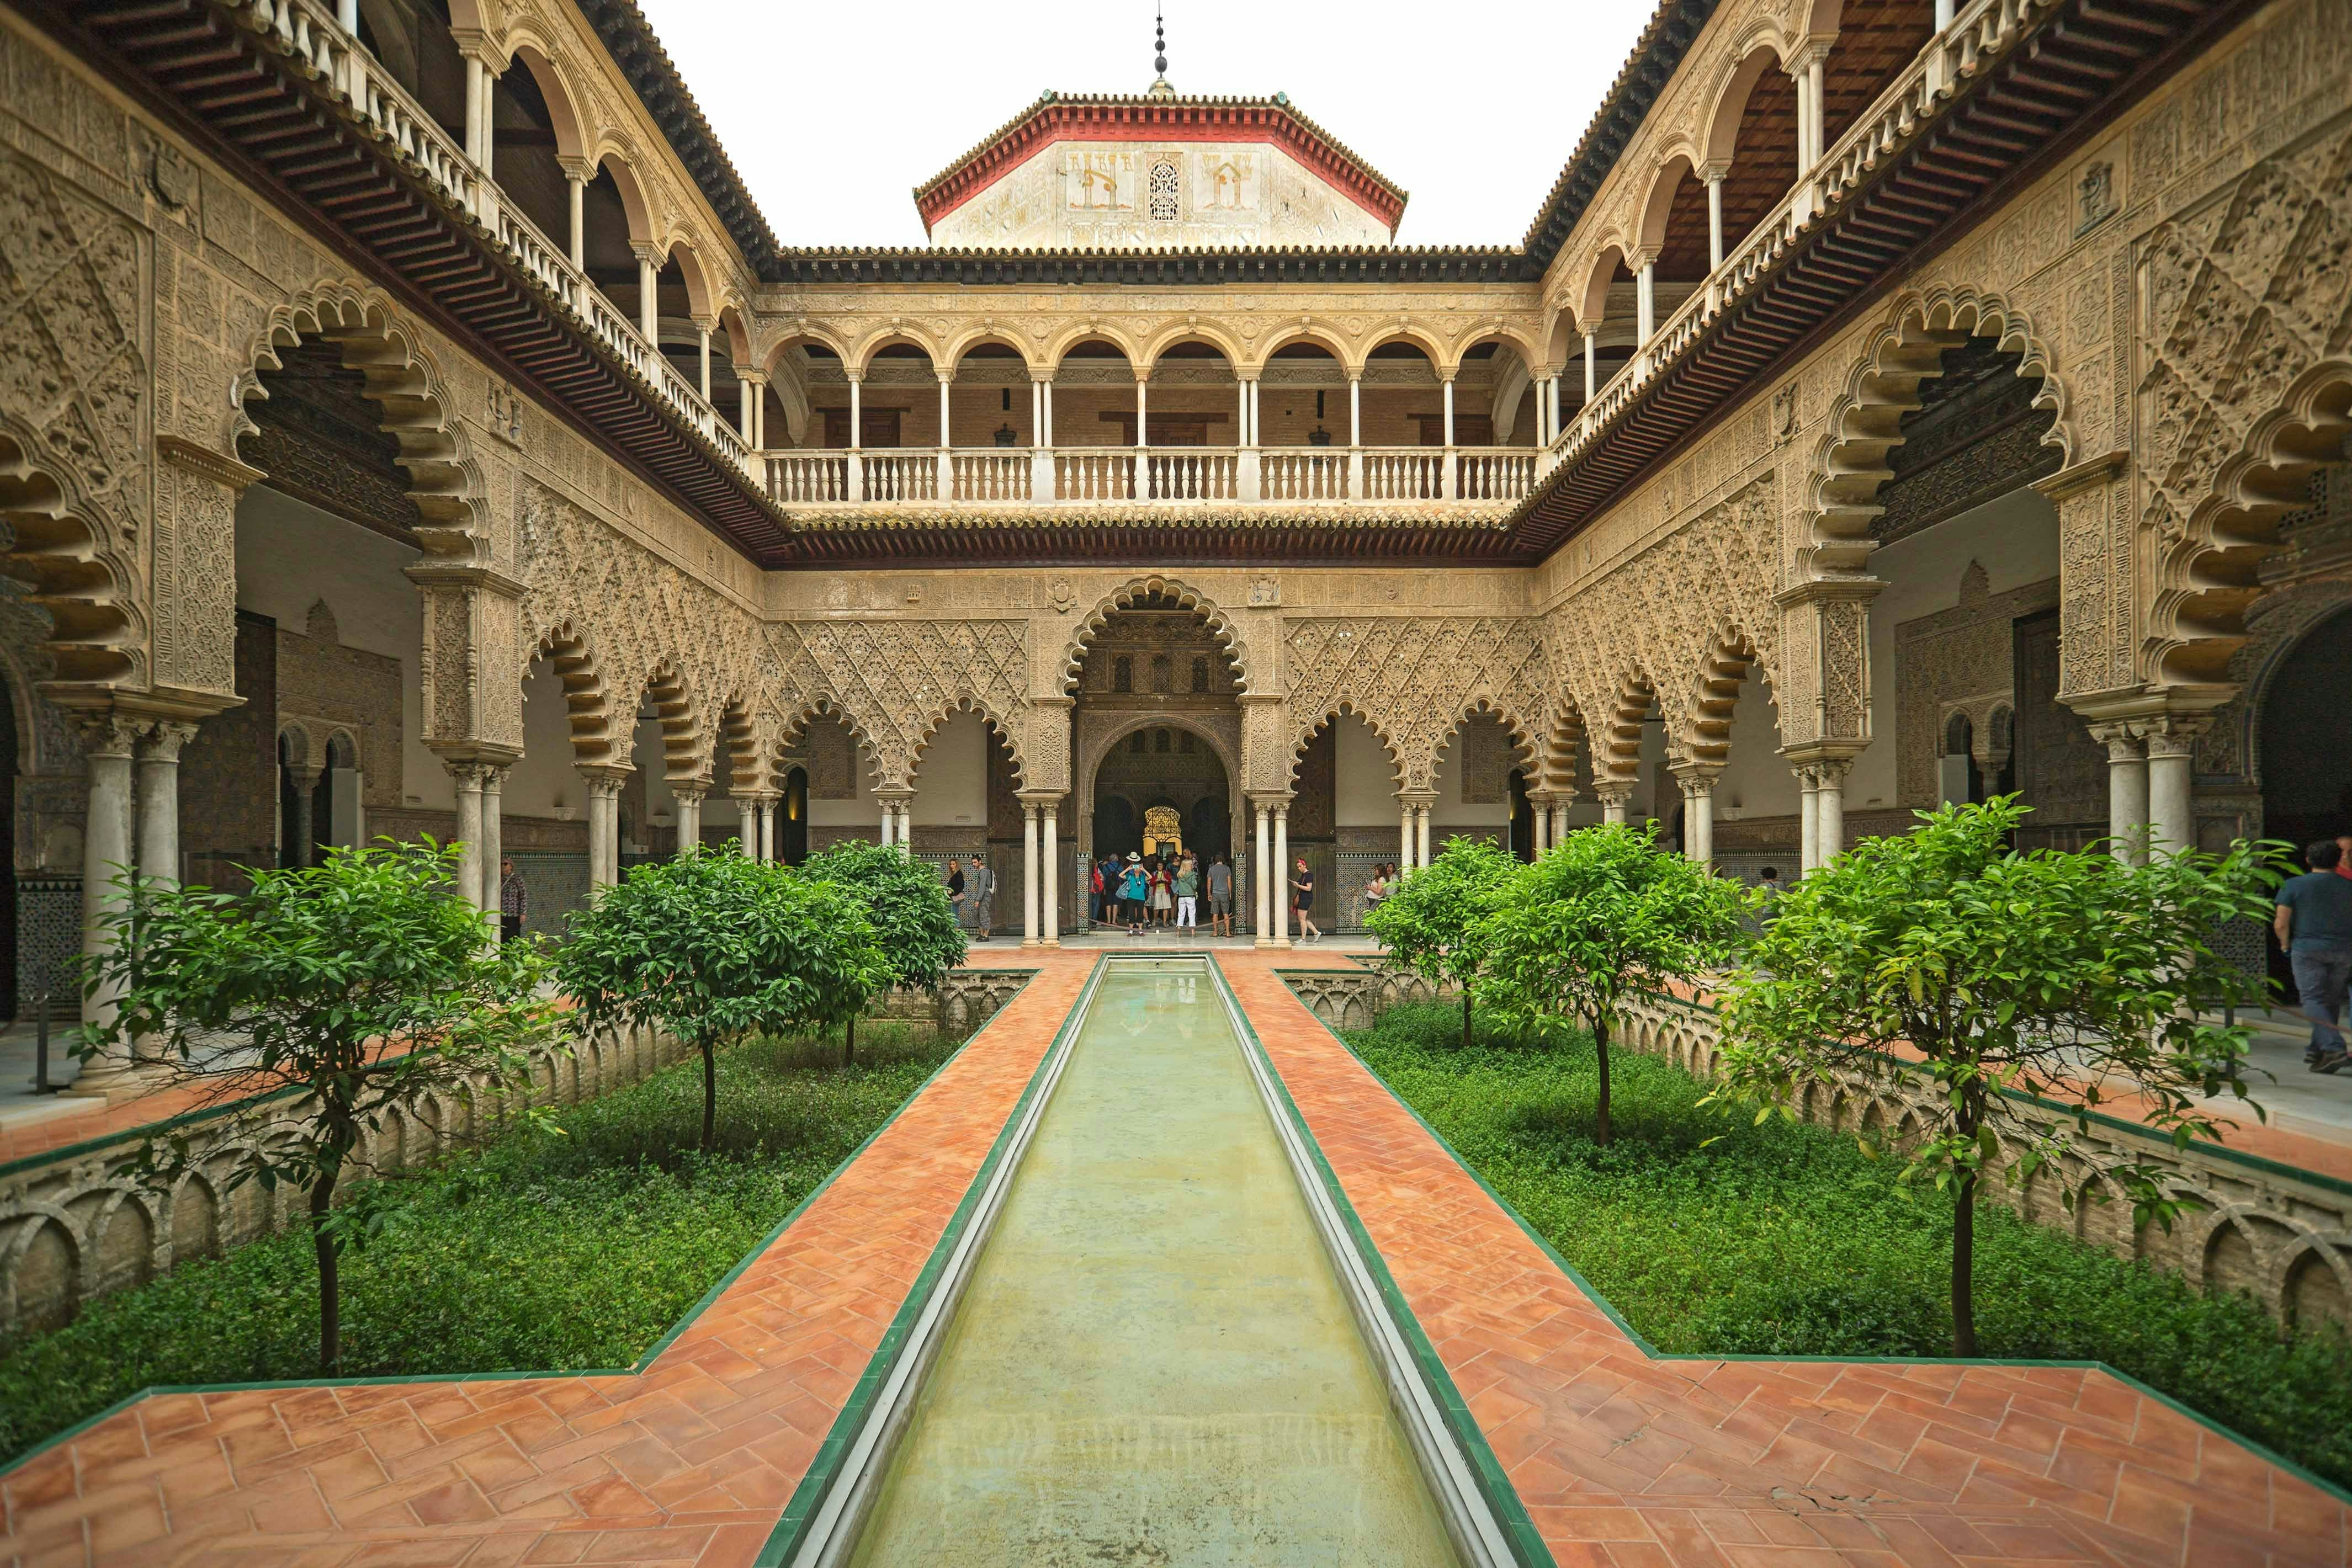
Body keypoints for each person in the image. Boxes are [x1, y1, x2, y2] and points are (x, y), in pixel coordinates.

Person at [2274, 839, 2352, 1073]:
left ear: (2308, 860)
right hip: (2344, 950)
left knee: (2313, 999)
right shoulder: (2349, 886)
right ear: (2339, 860)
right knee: (2329, 1000)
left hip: (2307, 949)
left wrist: (2285, 945)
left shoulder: (2294, 885)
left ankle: (2334, 1048)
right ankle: (2318, 1051)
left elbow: (2281, 923)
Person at [1291, 853, 1320, 944]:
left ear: (1304, 865)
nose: (1299, 868)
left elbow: (1309, 888)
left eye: (1300, 866)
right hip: (1303, 898)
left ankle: (1303, 939)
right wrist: (1296, 884)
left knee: (1302, 919)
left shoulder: (1308, 875)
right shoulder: (1303, 875)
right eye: (1298, 867)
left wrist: (1298, 885)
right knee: (1302, 918)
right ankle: (1316, 932)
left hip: (1306, 898)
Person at [1119, 852, 1150, 936]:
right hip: (1131, 897)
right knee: (1132, 914)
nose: (1136, 869)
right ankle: (1131, 930)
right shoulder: (1130, 876)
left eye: (1138, 868)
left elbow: (1151, 877)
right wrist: (1128, 869)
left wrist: (1143, 869)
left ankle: (1140, 930)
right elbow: (1120, 875)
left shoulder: (1143, 877)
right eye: (1135, 868)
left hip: (1141, 897)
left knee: (1140, 914)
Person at [498, 857, 527, 944]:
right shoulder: (498, 879)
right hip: (501, 913)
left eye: (506, 864)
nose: (503, 866)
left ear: (511, 866)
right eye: (501, 864)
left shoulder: (517, 879)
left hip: (513, 914)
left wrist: (523, 913)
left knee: (512, 936)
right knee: (502, 936)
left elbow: (523, 896)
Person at [1207, 852, 1234, 938]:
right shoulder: (1227, 869)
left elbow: (1209, 882)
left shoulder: (1211, 869)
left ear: (1215, 860)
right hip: (1225, 893)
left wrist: (1209, 893)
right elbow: (1229, 882)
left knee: (1215, 913)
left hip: (1215, 893)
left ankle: (1215, 932)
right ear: (1223, 860)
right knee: (1226, 913)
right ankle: (1228, 932)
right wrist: (1230, 893)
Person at [967, 854, 994, 938]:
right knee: (977, 914)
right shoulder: (981, 871)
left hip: (985, 896)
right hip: (981, 895)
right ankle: (982, 934)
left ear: (980, 862)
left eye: (975, 862)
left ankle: (986, 935)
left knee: (984, 914)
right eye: (972, 863)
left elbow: (982, 886)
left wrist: (978, 900)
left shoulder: (984, 872)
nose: (974, 864)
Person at [1173, 854, 1198, 932]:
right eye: (1191, 865)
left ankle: (1179, 930)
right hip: (1190, 896)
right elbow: (1194, 886)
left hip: (1182, 896)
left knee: (1181, 913)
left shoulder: (1180, 875)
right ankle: (1193, 931)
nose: (1192, 866)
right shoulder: (1192, 875)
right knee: (1191, 913)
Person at [1149, 855, 1174, 927]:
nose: (1160, 867)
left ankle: (1165, 922)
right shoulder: (1154, 873)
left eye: (1161, 865)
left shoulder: (1166, 873)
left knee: (1166, 907)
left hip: (1165, 890)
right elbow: (1151, 884)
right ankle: (1154, 920)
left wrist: (1165, 880)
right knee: (1157, 907)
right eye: (1158, 865)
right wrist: (1156, 880)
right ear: (1157, 866)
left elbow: (1170, 882)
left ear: (1163, 866)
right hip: (1157, 890)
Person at [946, 858, 966, 929]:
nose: (952, 866)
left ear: (957, 865)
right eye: (951, 864)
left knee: (954, 915)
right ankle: (955, 932)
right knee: (953, 914)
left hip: (955, 897)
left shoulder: (958, 874)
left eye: (954, 864)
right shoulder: (954, 874)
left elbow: (961, 886)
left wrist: (952, 892)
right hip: (952, 897)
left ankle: (957, 932)